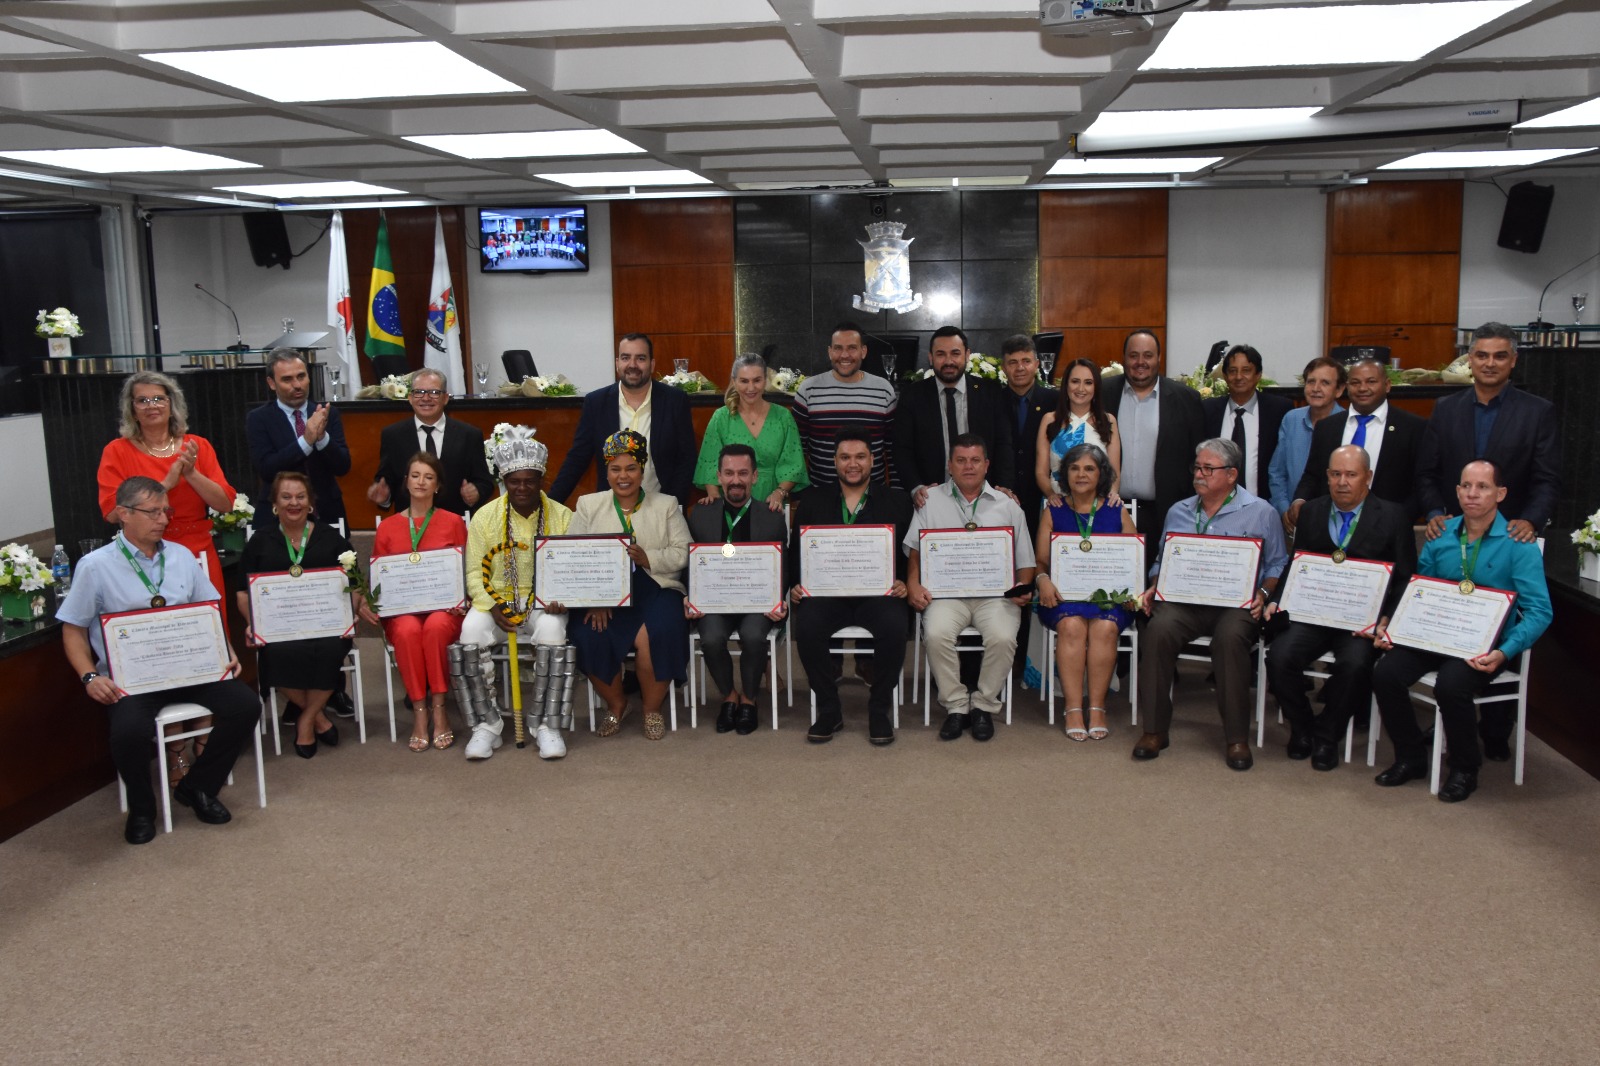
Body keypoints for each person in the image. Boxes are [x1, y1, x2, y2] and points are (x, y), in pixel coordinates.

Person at [58, 476, 262, 845]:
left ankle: (198, 787)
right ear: (123, 513)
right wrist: (90, 677)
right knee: (128, 732)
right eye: (152, 512)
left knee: (246, 705)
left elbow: (210, 610)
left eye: (165, 511)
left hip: (190, 667)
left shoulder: (181, 556)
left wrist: (228, 651)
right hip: (133, 679)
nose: (163, 520)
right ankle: (141, 807)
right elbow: (72, 630)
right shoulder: (95, 566)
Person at [1370, 459, 1552, 803]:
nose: (1472, 494)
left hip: (1484, 644)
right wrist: (1395, 628)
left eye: (1482, 487)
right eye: (1466, 486)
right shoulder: (1441, 536)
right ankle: (1410, 758)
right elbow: (1418, 591)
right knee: (1386, 673)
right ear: (1456, 491)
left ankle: (1465, 768)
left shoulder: (1519, 543)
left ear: (1500, 493)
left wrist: (1505, 651)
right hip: (1435, 633)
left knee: (1452, 685)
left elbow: (1540, 611)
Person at [96, 371, 239, 784]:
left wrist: (191, 474)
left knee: (206, 644)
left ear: (172, 404)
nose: (152, 406)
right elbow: (111, 511)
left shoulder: (199, 446)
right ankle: (175, 748)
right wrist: (168, 481)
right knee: (161, 645)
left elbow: (226, 503)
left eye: (159, 398)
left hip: (195, 554)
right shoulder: (118, 451)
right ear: (132, 409)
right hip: (141, 558)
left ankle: (206, 742)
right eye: (143, 400)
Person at [1131, 438, 1288, 771]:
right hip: (1185, 602)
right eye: (1197, 467)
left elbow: (1277, 566)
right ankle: (1155, 730)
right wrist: (1153, 586)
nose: (1199, 475)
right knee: (1157, 629)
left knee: (1231, 640)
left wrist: (1262, 593)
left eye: (1208, 469)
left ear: (1231, 475)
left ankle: (1236, 738)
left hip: (1236, 606)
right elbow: (1163, 560)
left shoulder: (1261, 512)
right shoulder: (1180, 511)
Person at [1263, 446, 1416, 770]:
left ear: (1368, 477)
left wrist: (1387, 618)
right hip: (1313, 614)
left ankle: (1328, 736)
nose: (1342, 482)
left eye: (1351, 474)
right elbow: (1297, 563)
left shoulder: (1393, 516)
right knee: (1279, 657)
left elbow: (1404, 578)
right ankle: (1303, 727)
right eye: (1335, 474)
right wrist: (1276, 600)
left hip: (1360, 621)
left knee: (1355, 665)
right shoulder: (1314, 511)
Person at [906, 434, 1035, 743]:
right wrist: (912, 583)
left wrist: (1022, 586)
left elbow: (1026, 560)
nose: (968, 467)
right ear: (950, 466)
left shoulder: (1008, 505)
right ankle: (956, 706)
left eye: (975, 460)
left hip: (995, 597)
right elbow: (915, 553)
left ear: (987, 465)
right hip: (946, 595)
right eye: (961, 460)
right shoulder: (929, 500)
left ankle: (983, 705)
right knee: (936, 634)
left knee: (1004, 637)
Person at [457, 425, 574, 761]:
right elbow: (472, 571)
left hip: (543, 601)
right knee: (470, 633)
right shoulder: (484, 517)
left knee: (552, 633)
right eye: (514, 481)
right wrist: (492, 605)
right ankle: (487, 725)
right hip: (495, 600)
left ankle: (546, 725)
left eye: (530, 480)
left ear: (541, 480)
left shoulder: (563, 517)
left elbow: (572, 567)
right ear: (503, 482)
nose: (522, 488)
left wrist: (562, 596)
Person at [790, 427, 913, 745]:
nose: (853, 463)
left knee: (895, 624)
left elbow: (909, 552)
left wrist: (904, 581)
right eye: (845, 457)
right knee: (806, 625)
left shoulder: (898, 501)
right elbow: (796, 555)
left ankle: (878, 709)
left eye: (860, 456)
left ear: (873, 460)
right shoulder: (813, 501)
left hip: (879, 594)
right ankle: (829, 709)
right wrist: (795, 585)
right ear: (834, 462)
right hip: (828, 595)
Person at [566, 430, 691, 741]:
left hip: (655, 588)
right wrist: (596, 599)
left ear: (643, 468)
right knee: (588, 633)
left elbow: (684, 552)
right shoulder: (588, 506)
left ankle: (651, 710)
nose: (623, 476)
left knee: (657, 634)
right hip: (604, 594)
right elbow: (572, 557)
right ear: (606, 471)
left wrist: (649, 558)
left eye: (631, 468)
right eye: (615, 469)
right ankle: (617, 703)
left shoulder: (666, 504)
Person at [237, 472, 359, 759]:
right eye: (286, 497)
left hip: (326, 625)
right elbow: (243, 593)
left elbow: (355, 583)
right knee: (276, 652)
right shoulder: (260, 542)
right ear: (275, 504)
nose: (294, 503)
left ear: (310, 502)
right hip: (279, 627)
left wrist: (349, 615)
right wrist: (253, 624)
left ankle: (305, 719)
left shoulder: (332, 539)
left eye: (300, 497)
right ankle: (317, 718)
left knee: (330, 649)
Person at [1417, 321, 1561, 545]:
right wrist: (1435, 512)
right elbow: (1426, 472)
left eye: (1500, 356)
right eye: (1482, 356)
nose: (1490, 364)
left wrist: (1531, 521)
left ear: (1513, 360)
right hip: (1452, 530)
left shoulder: (1538, 412)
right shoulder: (1445, 409)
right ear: (1470, 359)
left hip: (1512, 534)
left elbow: (1547, 479)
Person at [1033, 443, 1138, 742]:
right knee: (1071, 626)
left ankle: (1098, 707)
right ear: (1065, 473)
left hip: (1109, 597)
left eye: (1089, 468)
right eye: (1074, 467)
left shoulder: (1116, 509)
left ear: (1101, 474)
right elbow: (1041, 561)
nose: (1081, 474)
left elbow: (1133, 556)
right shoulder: (1053, 510)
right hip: (1063, 595)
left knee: (1105, 628)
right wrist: (1042, 580)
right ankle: (1073, 708)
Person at [366, 452, 469, 752]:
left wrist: (460, 598)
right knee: (409, 631)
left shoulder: (452, 522)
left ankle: (439, 708)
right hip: (403, 611)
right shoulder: (387, 528)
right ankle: (419, 712)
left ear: (437, 485)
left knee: (436, 626)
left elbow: (465, 569)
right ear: (406, 482)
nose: (421, 482)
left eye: (428, 477)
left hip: (444, 609)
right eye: (415, 475)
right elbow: (379, 577)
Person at [685, 444, 790, 734]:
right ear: (718, 476)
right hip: (714, 603)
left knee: (754, 636)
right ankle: (729, 696)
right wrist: (688, 597)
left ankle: (749, 700)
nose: (735, 480)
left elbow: (783, 565)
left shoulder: (772, 516)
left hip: (756, 603)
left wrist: (780, 600)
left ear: (755, 477)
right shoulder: (701, 514)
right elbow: (689, 563)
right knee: (711, 637)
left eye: (743, 473)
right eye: (729, 473)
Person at [547, 333, 696, 506]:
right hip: (611, 510)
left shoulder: (675, 401)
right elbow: (577, 458)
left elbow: (686, 459)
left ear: (652, 364)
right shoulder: (596, 403)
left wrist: (672, 505)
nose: (632, 365)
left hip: (660, 508)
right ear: (617, 363)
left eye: (640, 358)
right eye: (626, 358)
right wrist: (550, 505)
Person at [1101, 329, 1206, 570]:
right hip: (1111, 508)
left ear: (1159, 358)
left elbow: (1198, 457)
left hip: (1167, 510)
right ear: (1124, 359)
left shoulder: (1186, 399)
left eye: (1147, 355)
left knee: (1160, 579)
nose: (1140, 362)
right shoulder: (1103, 393)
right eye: (1133, 355)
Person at [1287, 355, 1425, 528]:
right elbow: (1313, 475)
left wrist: (1398, 520)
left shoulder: (1412, 427)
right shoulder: (1327, 427)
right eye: (1355, 383)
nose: (1362, 388)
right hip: (1332, 526)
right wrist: (1300, 500)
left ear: (1387, 385)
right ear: (1347, 387)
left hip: (1388, 530)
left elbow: (1421, 483)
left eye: (1371, 381)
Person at [894, 326, 1015, 503]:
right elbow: (902, 448)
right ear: (930, 358)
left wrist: (1004, 485)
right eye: (941, 354)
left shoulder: (990, 392)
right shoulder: (912, 396)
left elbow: (1003, 443)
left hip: (984, 497)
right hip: (931, 497)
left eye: (955, 353)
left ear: (967, 355)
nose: (948, 361)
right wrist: (915, 486)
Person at [366, 367, 495, 517]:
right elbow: (386, 480)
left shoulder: (469, 435)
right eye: (419, 392)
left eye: (434, 392)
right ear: (410, 397)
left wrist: (476, 493)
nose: (426, 398)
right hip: (409, 525)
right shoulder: (393, 435)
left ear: (445, 398)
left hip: (455, 524)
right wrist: (384, 496)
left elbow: (484, 482)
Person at [244, 348, 351, 528]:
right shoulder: (258, 418)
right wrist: (306, 441)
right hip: (275, 518)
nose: (297, 385)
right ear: (271, 383)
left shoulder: (326, 413)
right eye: (287, 379)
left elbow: (343, 466)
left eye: (301, 376)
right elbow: (267, 469)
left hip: (326, 513)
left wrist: (322, 437)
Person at [692, 353, 809, 510]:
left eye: (757, 380)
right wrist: (715, 501)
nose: (751, 388)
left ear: (765, 381)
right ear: (734, 381)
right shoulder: (720, 417)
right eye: (744, 381)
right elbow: (709, 463)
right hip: (731, 501)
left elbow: (793, 465)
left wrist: (780, 493)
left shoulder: (783, 417)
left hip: (772, 505)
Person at [793, 322, 898, 488]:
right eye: (838, 348)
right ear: (830, 352)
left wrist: (896, 491)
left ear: (863, 352)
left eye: (851, 348)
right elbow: (797, 450)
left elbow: (893, 449)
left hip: (873, 497)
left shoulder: (884, 390)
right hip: (822, 495)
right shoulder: (808, 390)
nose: (844, 355)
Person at [1201, 344, 1293, 500]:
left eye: (1246, 371)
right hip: (1216, 506)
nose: (1238, 377)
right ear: (1224, 376)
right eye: (1232, 371)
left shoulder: (1278, 410)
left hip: (1263, 507)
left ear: (1258, 375)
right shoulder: (1207, 410)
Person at [1268, 356, 1347, 522]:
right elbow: (1277, 472)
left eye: (1325, 383)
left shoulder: (1348, 424)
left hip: (1334, 519)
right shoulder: (1291, 419)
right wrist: (1284, 510)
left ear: (1339, 390)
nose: (1316, 388)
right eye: (1311, 382)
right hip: (1290, 516)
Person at [1038, 357, 1121, 504]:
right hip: (1057, 504)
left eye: (1088, 383)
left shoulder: (1108, 421)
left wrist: (1113, 493)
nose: (1081, 389)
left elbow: (1114, 472)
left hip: (1098, 506)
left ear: (1096, 387)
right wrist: (1051, 494)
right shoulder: (1049, 420)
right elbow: (1041, 471)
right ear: (1066, 385)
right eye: (1075, 381)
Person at [999, 335, 1058, 538]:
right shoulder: (991, 402)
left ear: (1037, 365)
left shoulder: (1056, 402)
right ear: (1003, 367)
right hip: (1003, 497)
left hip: (1044, 497)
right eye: (1013, 362)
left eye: (1026, 361)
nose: (1020, 368)